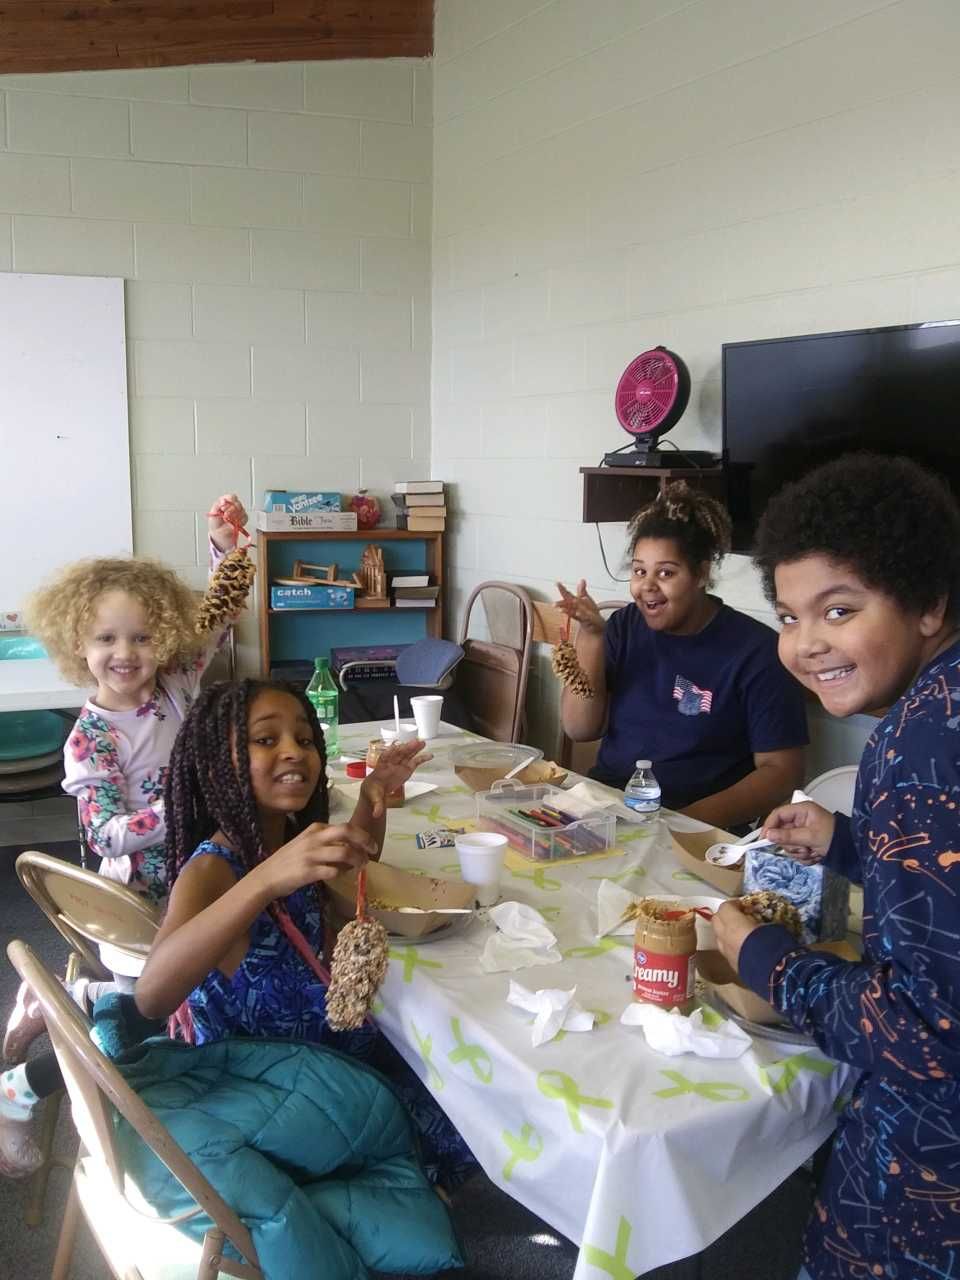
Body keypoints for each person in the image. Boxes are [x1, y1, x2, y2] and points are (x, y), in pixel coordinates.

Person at [713, 454, 960, 1280]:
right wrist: (853, 842)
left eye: (840, 610)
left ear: (929, 603)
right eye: (788, 617)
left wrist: (767, 961)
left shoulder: (918, 744)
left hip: (926, 1180)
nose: (806, 644)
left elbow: (923, 1032)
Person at [134, 678, 475, 1187]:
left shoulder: (288, 838)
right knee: (467, 1117)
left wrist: (372, 797)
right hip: (270, 1085)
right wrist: (265, 880)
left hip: (323, 1056)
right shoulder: (212, 869)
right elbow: (151, 996)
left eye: (305, 739)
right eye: (265, 740)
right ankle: (392, 1193)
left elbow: (355, 862)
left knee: (457, 1073)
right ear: (215, 762)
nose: (294, 751)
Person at [1, 495, 249, 1178]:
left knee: (212, 988)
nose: (125, 653)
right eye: (106, 639)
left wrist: (224, 548)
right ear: (77, 646)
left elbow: (220, 617)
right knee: (146, 1021)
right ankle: (19, 1090)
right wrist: (184, 802)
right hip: (136, 900)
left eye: (141, 637)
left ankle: (72, 1001)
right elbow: (109, 836)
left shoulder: (174, 685)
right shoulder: (91, 738)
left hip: (195, 876)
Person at [556, 481, 807, 828]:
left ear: (701, 574)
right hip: (608, 808)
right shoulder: (624, 626)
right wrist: (592, 636)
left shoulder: (757, 652)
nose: (647, 586)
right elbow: (579, 727)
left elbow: (782, 772)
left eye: (666, 573)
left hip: (697, 824)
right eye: (639, 571)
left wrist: (685, 823)